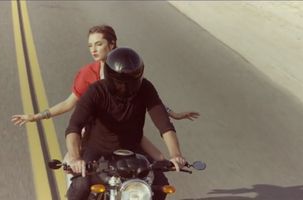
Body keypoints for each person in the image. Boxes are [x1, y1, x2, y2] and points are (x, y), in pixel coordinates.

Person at [11, 25, 199, 160]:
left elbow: (144, 97)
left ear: (112, 44)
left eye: (98, 44)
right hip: (94, 131)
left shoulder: (128, 67)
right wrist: (35, 117)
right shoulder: (88, 74)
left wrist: (172, 114)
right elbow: (69, 104)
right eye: (90, 46)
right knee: (72, 170)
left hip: (128, 129)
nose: (93, 49)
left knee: (161, 164)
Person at [66, 47, 187, 200]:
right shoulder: (96, 91)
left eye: (130, 83)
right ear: (110, 77)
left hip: (133, 153)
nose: (124, 87)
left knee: (161, 188)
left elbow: (164, 125)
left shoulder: (146, 88)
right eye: (119, 83)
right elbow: (74, 127)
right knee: (81, 187)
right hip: (97, 152)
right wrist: (76, 159)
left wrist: (176, 155)